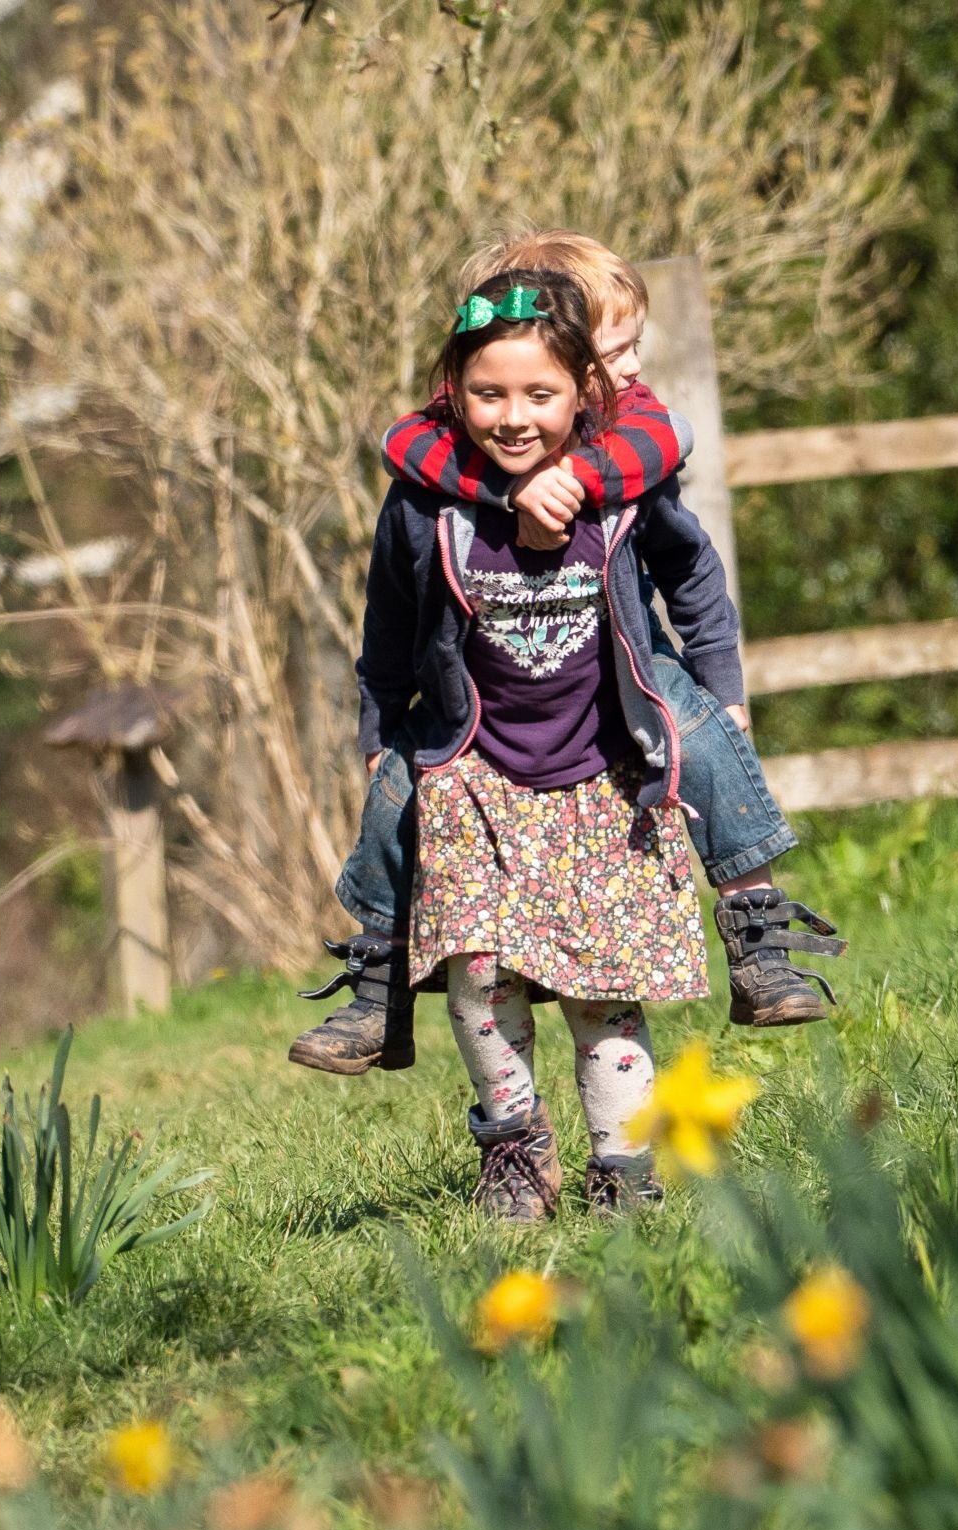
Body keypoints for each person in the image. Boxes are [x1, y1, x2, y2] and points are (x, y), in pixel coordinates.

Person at [291, 231, 840, 1079]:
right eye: (613, 351)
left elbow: (671, 449)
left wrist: (722, 679)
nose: (629, 372)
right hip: (476, 687)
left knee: (699, 726)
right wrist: (507, 488)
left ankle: (758, 933)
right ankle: (377, 985)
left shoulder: (630, 424)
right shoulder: (454, 448)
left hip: (617, 658)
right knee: (396, 787)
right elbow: (406, 447)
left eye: (630, 351)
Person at [350, 267, 767, 1220]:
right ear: (452, 391)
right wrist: (379, 725)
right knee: (477, 975)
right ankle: (513, 1149)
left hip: (602, 781)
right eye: (488, 393)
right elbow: (385, 619)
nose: (512, 415)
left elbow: (692, 573)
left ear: (585, 393)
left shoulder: (622, 490)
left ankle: (624, 1172)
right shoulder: (425, 507)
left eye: (539, 394)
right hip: (479, 777)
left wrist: (720, 687)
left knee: (600, 993)